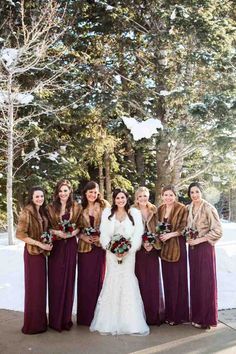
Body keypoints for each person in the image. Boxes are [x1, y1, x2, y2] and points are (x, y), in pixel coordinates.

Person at [90, 188, 149, 335]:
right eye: (117, 198)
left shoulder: (134, 213)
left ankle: (130, 322)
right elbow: (104, 235)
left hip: (129, 255)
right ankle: (109, 320)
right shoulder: (107, 213)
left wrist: (128, 250)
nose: (120, 200)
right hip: (112, 254)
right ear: (114, 199)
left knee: (128, 280)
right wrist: (112, 249)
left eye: (122, 198)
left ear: (126, 198)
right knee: (112, 280)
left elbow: (138, 234)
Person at [16, 186, 52, 334]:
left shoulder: (42, 211)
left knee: (41, 289)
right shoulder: (27, 212)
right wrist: (39, 244)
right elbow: (20, 234)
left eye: (41, 196)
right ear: (31, 197)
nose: (40, 199)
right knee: (34, 289)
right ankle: (32, 325)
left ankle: (41, 322)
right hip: (32, 255)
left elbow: (45, 230)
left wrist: (48, 241)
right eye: (37, 196)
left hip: (42, 254)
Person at [47, 179, 81, 332]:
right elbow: (45, 226)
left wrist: (73, 232)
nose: (63, 194)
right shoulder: (49, 207)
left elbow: (81, 225)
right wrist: (56, 232)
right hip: (56, 246)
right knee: (56, 280)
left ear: (70, 192)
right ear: (57, 192)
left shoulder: (76, 207)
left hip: (71, 245)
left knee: (68, 279)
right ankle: (55, 320)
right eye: (60, 191)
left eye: (65, 191)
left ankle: (65, 319)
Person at [187, 182, 222, 329]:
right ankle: (196, 316)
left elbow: (218, 231)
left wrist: (200, 239)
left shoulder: (208, 207)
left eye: (197, 192)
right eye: (192, 192)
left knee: (205, 282)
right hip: (193, 249)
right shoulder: (188, 208)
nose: (194, 195)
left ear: (202, 192)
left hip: (205, 248)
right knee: (195, 282)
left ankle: (206, 319)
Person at [77, 181, 109, 326]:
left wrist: (101, 237)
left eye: (95, 192)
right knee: (85, 281)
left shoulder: (104, 206)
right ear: (85, 193)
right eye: (90, 192)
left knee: (98, 280)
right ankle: (85, 317)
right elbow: (75, 227)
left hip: (99, 248)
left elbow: (111, 225)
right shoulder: (79, 207)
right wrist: (83, 236)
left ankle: (98, 317)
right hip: (84, 249)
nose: (93, 194)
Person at [157, 185, 189, 325]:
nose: (168, 197)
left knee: (178, 281)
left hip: (177, 247)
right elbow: (157, 226)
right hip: (165, 250)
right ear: (162, 196)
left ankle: (178, 316)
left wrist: (170, 234)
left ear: (175, 196)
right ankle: (169, 313)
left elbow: (184, 228)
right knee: (168, 281)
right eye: (166, 195)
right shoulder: (160, 209)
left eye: (171, 195)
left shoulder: (182, 208)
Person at [133, 186, 164, 325]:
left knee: (153, 281)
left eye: (145, 196)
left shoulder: (154, 210)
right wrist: (141, 243)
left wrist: (153, 242)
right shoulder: (132, 211)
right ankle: (142, 315)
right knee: (141, 281)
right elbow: (130, 231)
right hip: (139, 251)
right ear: (136, 198)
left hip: (152, 250)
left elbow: (160, 228)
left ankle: (154, 314)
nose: (143, 199)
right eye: (140, 196)